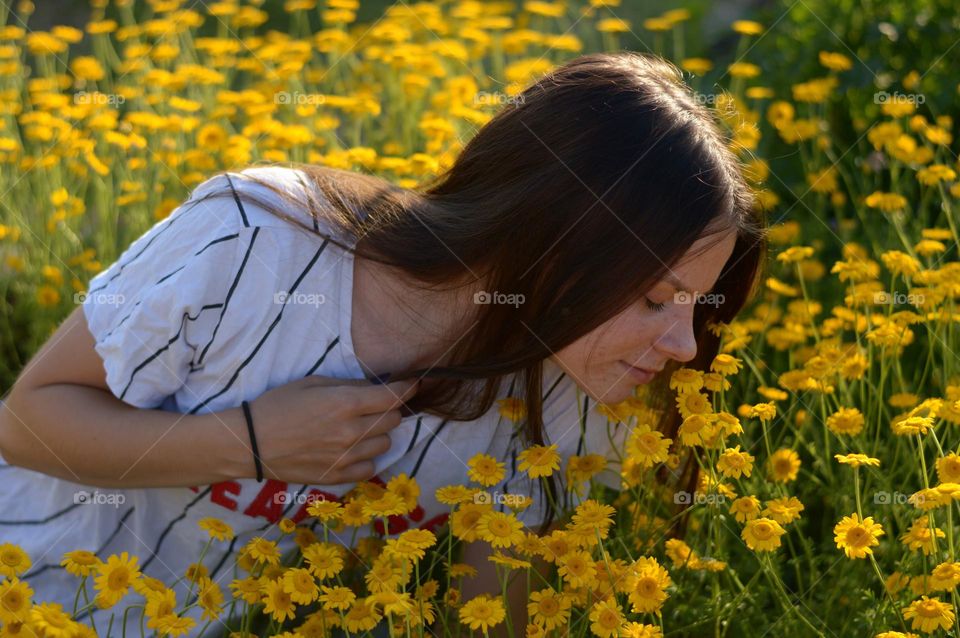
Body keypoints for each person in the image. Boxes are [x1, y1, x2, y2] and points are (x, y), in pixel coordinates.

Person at [0, 50, 765, 635]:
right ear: (554, 238)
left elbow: (489, 614)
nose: (683, 346)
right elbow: (27, 422)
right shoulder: (254, 239)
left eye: (694, 307)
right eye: (655, 298)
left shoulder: (563, 388)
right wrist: (250, 444)